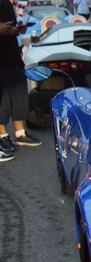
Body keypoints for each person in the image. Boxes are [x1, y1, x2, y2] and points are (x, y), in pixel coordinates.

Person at [0, 0, 41, 164]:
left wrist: (17, 29)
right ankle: (2, 136)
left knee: (18, 91)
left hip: (11, 50)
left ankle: (20, 133)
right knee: (2, 95)